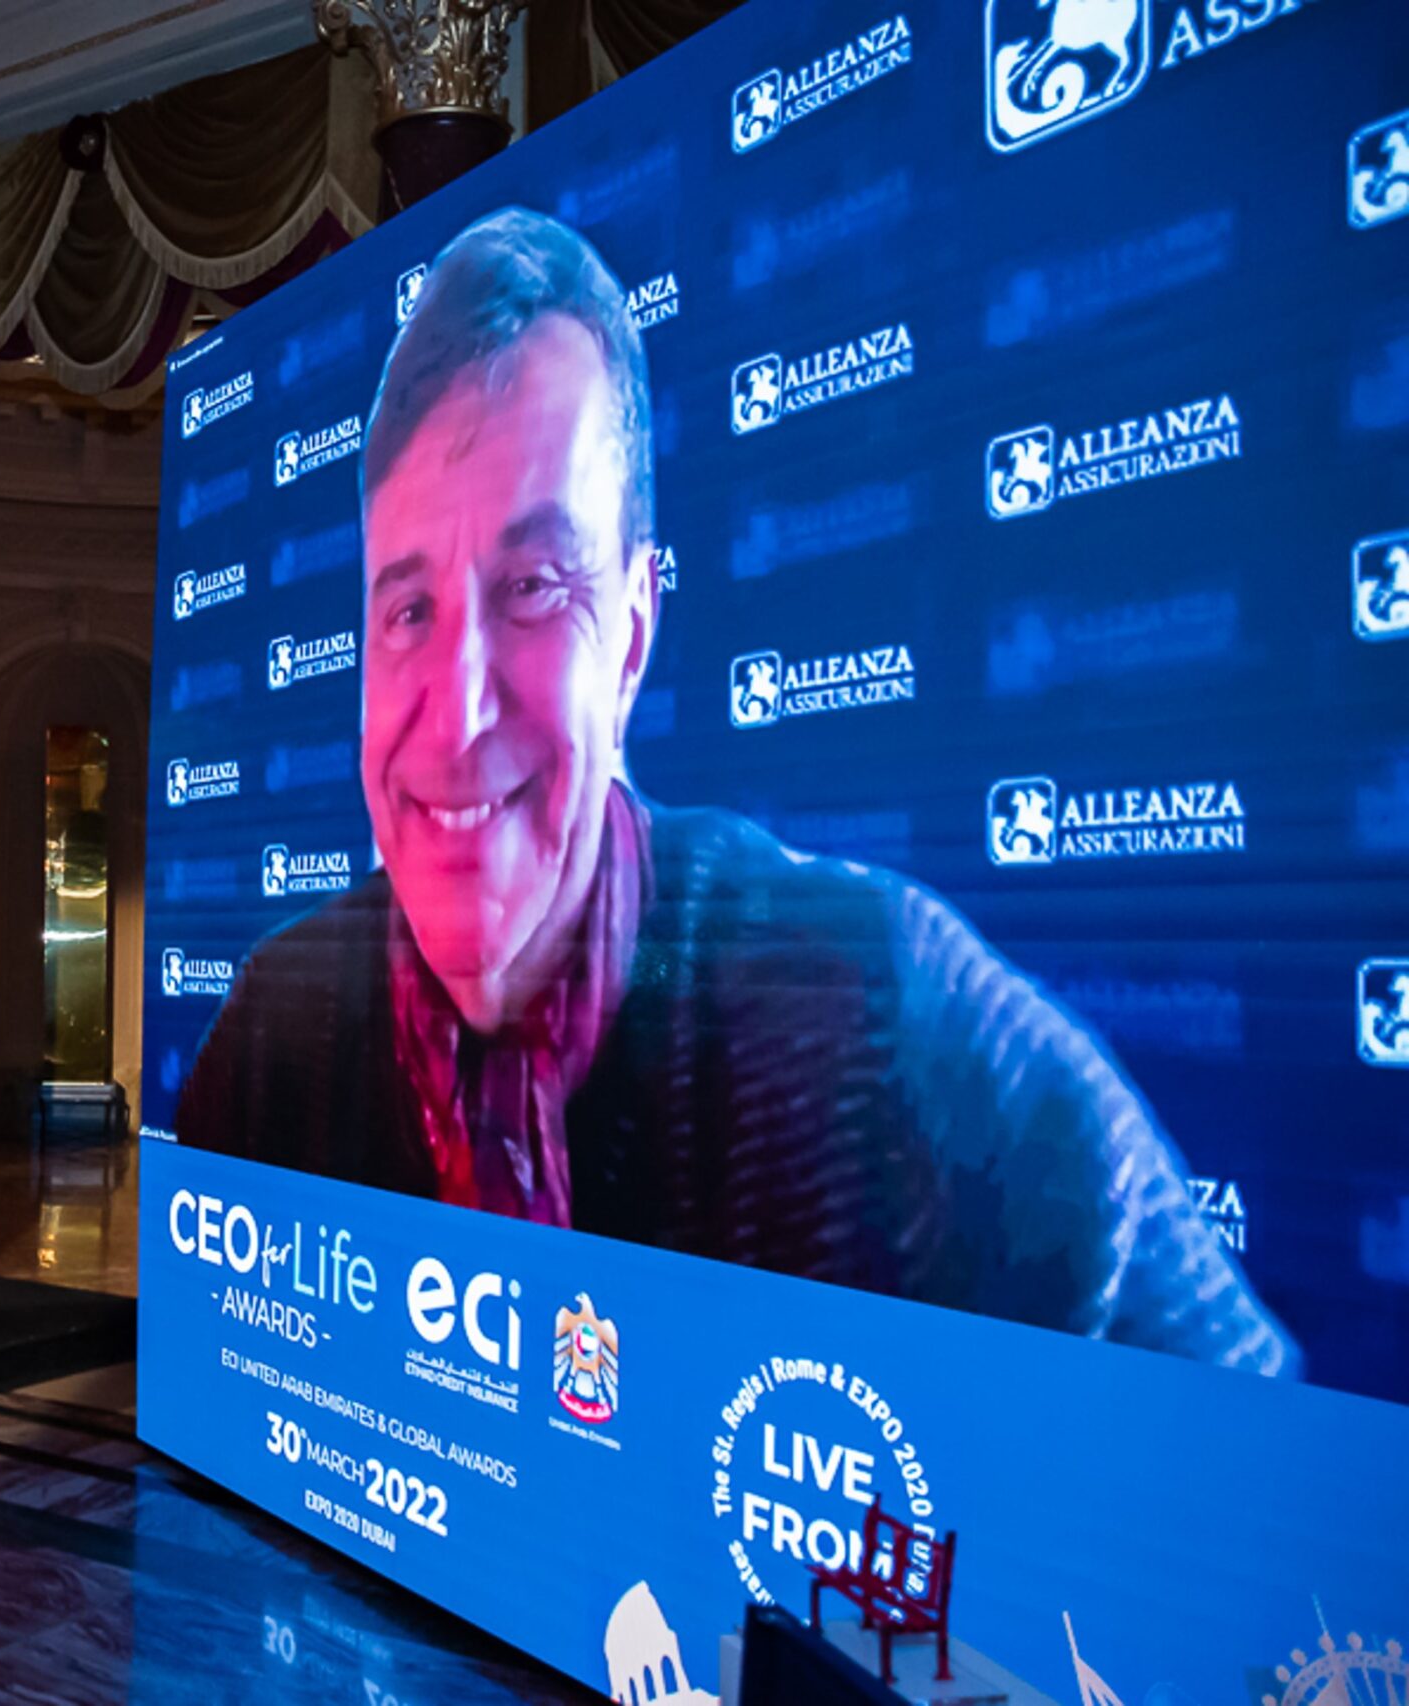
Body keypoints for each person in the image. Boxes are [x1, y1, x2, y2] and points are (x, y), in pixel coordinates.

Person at [177, 207, 1294, 1375]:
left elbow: (1256, 1456)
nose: (454, 716)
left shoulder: (879, 1011)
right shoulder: (276, 1030)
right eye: (408, 610)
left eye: (533, 586)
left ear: (631, 635)